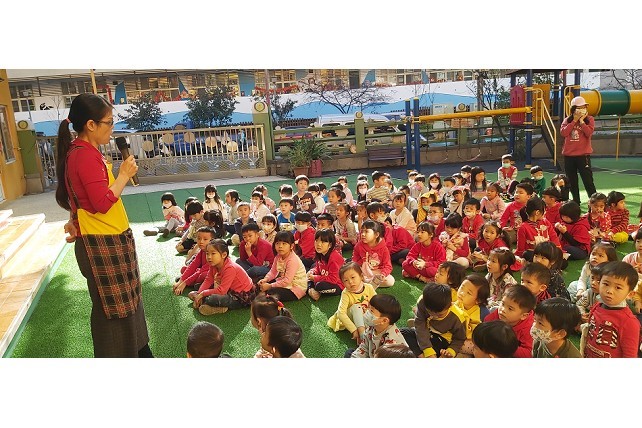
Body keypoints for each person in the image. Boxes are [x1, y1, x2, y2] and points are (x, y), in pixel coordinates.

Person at [55, 93, 152, 357]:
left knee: (127, 307)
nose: (112, 127)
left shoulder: (85, 152)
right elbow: (101, 203)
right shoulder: (84, 156)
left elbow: (80, 197)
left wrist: (74, 220)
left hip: (109, 239)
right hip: (102, 244)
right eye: (108, 122)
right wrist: (123, 176)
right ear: (91, 125)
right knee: (115, 313)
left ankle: (141, 354)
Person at [583, 261, 640, 358]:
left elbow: (630, 356)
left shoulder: (629, 322)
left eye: (618, 287)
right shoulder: (597, 306)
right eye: (606, 284)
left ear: (630, 294)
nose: (609, 291)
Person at [188, 239, 256, 315]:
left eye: (213, 253)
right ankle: (205, 301)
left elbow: (222, 291)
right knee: (198, 287)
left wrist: (203, 293)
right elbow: (208, 280)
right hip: (226, 288)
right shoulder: (213, 264)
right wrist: (199, 293)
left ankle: (220, 307)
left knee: (212, 299)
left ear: (224, 255)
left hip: (240, 296)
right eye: (207, 253)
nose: (209, 257)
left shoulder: (230, 268)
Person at [401, 282, 467, 358]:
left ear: (450, 305)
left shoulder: (457, 317)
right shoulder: (422, 301)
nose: (434, 317)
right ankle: (422, 356)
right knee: (402, 332)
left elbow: (459, 339)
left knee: (437, 349)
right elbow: (420, 325)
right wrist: (428, 350)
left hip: (441, 339)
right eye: (430, 312)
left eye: (440, 315)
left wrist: (450, 351)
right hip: (426, 332)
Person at [327, 262, 377, 344]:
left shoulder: (369, 288)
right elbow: (341, 313)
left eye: (353, 277)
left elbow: (377, 304)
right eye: (346, 280)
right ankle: (362, 335)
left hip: (364, 316)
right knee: (356, 307)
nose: (350, 282)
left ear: (361, 276)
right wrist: (353, 330)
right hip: (350, 318)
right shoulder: (346, 293)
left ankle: (372, 335)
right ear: (343, 283)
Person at [560, 96, 597, 203]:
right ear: (573, 109)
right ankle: (576, 202)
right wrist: (574, 121)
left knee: (588, 180)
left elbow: (589, 133)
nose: (582, 109)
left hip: (583, 156)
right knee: (572, 181)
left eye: (584, 107)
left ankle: (595, 202)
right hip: (569, 156)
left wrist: (581, 122)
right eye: (579, 108)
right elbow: (564, 133)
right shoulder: (567, 120)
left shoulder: (589, 119)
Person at [483, 285, 536, 358]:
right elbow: (485, 326)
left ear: (523, 316)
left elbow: (528, 353)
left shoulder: (529, 329)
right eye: (503, 304)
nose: (503, 310)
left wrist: (504, 346)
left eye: (510, 309)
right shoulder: (496, 315)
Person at [350, 294, 408, 358]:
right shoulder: (372, 327)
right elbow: (364, 347)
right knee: (350, 353)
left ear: (384, 321)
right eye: (369, 307)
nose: (366, 311)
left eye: (371, 311)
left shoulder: (391, 342)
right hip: (373, 355)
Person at [257, 231, 308, 302]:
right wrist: (265, 279)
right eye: (277, 243)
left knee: (271, 291)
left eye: (284, 243)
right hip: (284, 282)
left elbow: (287, 281)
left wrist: (270, 286)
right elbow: (273, 272)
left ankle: (264, 295)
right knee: (261, 279)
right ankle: (263, 293)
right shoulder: (278, 256)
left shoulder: (293, 260)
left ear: (291, 246)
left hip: (295, 288)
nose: (280, 246)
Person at [250, 293, 304, 358]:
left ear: (259, 322)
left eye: (265, 335)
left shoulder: (270, 342)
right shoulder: (288, 342)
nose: (263, 335)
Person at [173, 226, 216, 296]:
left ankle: (196, 284)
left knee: (203, 275)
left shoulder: (214, 254)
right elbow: (193, 265)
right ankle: (196, 284)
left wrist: (184, 283)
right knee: (184, 269)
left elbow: (201, 271)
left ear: (211, 240)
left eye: (205, 239)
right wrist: (181, 280)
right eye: (199, 238)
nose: (201, 241)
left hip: (213, 276)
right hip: (202, 271)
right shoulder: (202, 251)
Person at [352, 219, 395, 288]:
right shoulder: (359, 245)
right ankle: (367, 282)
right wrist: (362, 265)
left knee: (390, 281)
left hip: (377, 272)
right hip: (363, 271)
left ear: (376, 235)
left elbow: (388, 266)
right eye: (362, 231)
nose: (363, 234)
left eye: (366, 232)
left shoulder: (384, 249)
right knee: (351, 273)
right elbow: (355, 260)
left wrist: (383, 274)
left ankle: (365, 283)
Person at [455, 274, 491, 355]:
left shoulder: (483, 313)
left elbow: (480, 335)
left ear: (478, 300)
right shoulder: (457, 303)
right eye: (462, 287)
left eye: (469, 293)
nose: (462, 293)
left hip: (469, 339)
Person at [307, 229, 345, 301]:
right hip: (325, 277)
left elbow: (333, 279)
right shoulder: (321, 253)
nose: (318, 244)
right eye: (316, 240)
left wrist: (315, 278)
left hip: (338, 285)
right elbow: (318, 269)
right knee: (310, 270)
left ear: (330, 245)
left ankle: (312, 288)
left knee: (319, 286)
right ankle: (311, 288)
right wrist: (312, 272)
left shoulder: (334, 257)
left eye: (323, 241)